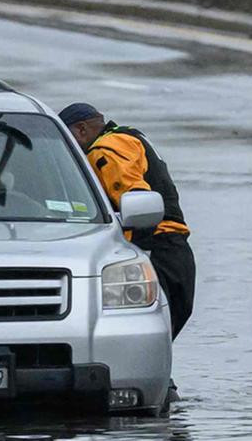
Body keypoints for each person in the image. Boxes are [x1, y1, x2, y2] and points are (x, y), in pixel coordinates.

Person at [63, 102, 195, 335]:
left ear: (82, 129)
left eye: (69, 139)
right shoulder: (129, 137)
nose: (70, 151)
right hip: (176, 249)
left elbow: (135, 200)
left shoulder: (104, 150)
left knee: (145, 335)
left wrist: (132, 257)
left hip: (157, 251)